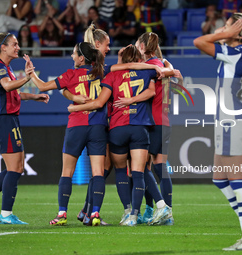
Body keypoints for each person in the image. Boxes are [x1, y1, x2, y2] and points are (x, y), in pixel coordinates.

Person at [193, 13, 242, 250]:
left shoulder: (235, 54)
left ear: (236, 33)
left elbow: (199, 42)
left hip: (232, 121)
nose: (221, 30)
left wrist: (224, 35)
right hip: (231, 119)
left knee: (237, 179)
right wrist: (227, 33)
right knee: (220, 178)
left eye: (226, 27)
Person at [67, 45, 158, 226]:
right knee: (139, 173)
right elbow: (152, 90)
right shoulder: (148, 72)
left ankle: (122, 210)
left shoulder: (110, 75)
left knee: (119, 171)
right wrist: (162, 68)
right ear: (138, 59)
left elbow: (100, 102)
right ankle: (134, 214)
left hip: (117, 128)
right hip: (140, 127)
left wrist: (75, 105)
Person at [25, 42, 107, 226]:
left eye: (73, 53)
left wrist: (30, 74)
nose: (71, 56)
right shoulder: (103, 72)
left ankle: (62, 214)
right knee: (97, 172)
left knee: (67, 172)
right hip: (98, 126)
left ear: (81, 58)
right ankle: (95, 214)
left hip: (76, 125)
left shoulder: (71, 74)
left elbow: (44, 86)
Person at [0, 32, 49, 225]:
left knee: (17, 167)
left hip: (9, 119)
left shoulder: (5, 68)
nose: (18, 47)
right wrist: (28, 77)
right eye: (14, 44)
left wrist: (36, 96)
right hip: (3, 120)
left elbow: (14, 93)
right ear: (2, 47)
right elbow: (7, 87)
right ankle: (5, 214)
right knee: (15, 168)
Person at [115, 32, 178, 226]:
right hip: (163, 120)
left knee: (141, 168)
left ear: (142, 47)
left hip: (154, 121)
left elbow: (159, 78)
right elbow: (171, 74)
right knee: (157, 167)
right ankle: (159, 211)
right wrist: (171, 69)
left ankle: (159, 209)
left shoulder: (154, 65)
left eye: (136, 44)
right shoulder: (161, 64)